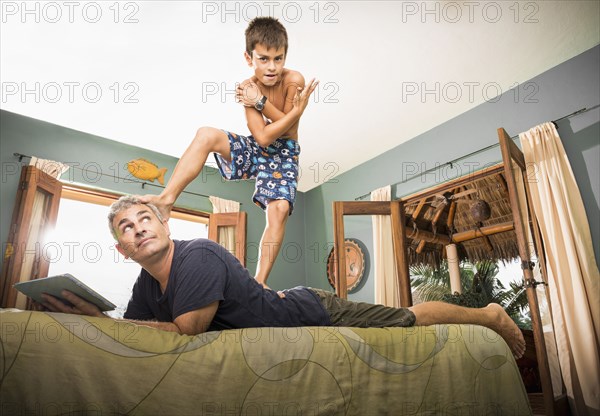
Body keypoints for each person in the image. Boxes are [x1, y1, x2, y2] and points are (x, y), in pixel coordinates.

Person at [41, 196, 526, 359]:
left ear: (165, 224)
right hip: (289, 309)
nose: (138, 227)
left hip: (312, 309)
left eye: (144, 217)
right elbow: (138, 331)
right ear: (123, 251)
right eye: (126, 228)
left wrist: (100, 323)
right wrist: (95, 318)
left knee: (404, 318)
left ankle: (487, 314)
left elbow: (187, 331)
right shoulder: (147, 284)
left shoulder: (199, 255)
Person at [139, 17, 318, 290]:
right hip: (258, 147)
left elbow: (287, 128)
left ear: (285, 57)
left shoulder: (293, 79)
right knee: (206, 134)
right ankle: (167, 199)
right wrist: (296, 110)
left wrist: (263, 102)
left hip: (284, 155)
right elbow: (264, 135)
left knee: (279, 208)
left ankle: (260, 281)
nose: (272, 67)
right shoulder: (247, 86)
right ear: (249, 58)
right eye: (263, 58)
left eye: (278, 59)